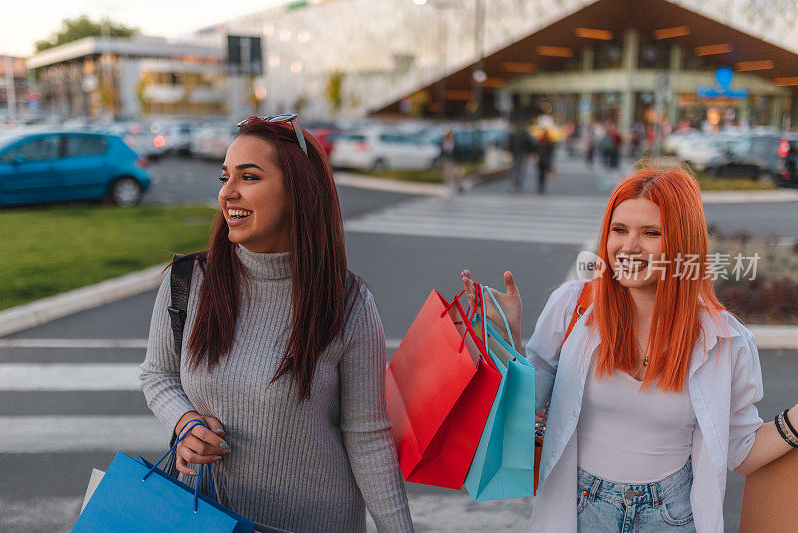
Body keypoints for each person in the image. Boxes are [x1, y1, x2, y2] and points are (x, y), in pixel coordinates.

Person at [461, 166, 798, 532]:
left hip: (672, 514)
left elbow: (742, 451)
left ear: (681, 245)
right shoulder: (573, 307)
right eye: (619, 230)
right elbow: (521, 415)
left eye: (651, 233)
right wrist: (507, 337)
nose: (629, 246)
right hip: (578, 509)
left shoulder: (724, 339)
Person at [139, 115, 413, 532]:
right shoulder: (187, 281)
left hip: (316, 522)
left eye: (248, 177)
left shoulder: (348, 303)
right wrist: (185, 423)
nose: (227, 193)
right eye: (225, 176)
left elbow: (368, 437)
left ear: (298, 192)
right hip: (204, 516)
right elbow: (158, 374)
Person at [508, 120, 536, 193]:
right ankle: (518, 183)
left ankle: (515, 183)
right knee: (520, 169)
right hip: (522, 154)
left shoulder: (513, 134)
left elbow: (509, 144)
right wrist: (530, 152)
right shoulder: (525, 134)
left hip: (516, 153)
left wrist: (510, 151)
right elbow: (530, 144)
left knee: (515, 169)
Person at [536, 129, 554, 195]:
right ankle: (542, 186)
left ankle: (541, 186)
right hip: (545, 161)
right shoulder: (548, 142)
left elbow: (536, 150)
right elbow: (551, 153)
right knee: (543, 174)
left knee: (541, 174)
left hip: (541, 161)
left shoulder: (540, 141)